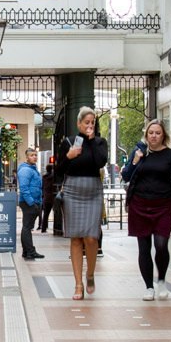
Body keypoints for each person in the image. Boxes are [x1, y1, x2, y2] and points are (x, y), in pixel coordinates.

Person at [123, 120, 171, 300]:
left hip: (163, 205)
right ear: (146, 135)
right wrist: (135, 161)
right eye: (151, 133)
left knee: (161, 245)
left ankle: (161, 280)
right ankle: (149, 287)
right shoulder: (139, 152)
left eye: (157, 133)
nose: (154, 136)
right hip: (139, 204)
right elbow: (126, 175)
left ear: (163, 136)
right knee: (144, 247)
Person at [59, 106, 106, 298]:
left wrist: (92, 140)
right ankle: (78, 284)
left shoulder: (100, 142)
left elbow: (100, 162)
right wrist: (68, 156)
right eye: (86, 122)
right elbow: (59, 169)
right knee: (76, 238)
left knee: (91, 237)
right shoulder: (69, 142)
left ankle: (90, 274)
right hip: (72, 190)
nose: (90, 125)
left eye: (92, 122)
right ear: (79, 123)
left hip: (93, 191)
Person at [17, 146, 45, 260]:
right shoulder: (26, 170)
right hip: (28, 202)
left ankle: (27, 251)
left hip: (33, 201)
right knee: (27, 227)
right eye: (32, 155)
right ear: (27, 157)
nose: (34, 157)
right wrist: (32, 203)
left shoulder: (33, 169)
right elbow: (24, 188)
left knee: (27, 227)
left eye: (35, 155)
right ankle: (30, 251)